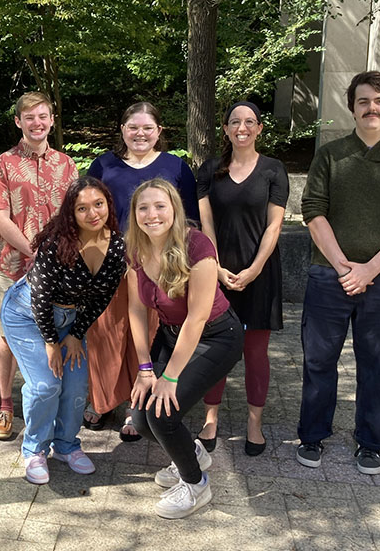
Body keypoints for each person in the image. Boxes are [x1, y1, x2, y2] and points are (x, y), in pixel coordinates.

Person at [296, 71, 380, 475]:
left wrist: (369, 269)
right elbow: (313, 210)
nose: (371, 107)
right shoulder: (331, 156)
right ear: (352, 107)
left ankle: (370, 442)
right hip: (327, 276)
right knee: (319, 360)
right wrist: (342, 266)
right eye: (363, 101)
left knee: (378, 364)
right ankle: (313, 434)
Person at [125, 179, 245, 519]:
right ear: (134, 215)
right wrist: (146, 369)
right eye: (143, 208)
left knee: (162, 414)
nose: (152, 214)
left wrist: (170, 377)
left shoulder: (198, 246)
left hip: (216, 336)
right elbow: (135, 310)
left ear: (174, 209)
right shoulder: (135, 250)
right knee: (141, 417)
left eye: (160, 206)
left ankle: (195, 485)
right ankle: (191, 454)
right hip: (170, 335)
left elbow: (197, 317)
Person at [83, 102, 198, 439]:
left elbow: (190, 220)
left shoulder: (176, 167)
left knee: (143, 337)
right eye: (133, 127)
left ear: (159, 131)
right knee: (104, 334)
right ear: (122, 130)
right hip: (107, 264)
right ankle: (100, 401)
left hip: (156, 265)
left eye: (148, 127)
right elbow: (86, 210)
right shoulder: (104, 164)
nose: (140, 134)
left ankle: (136, 408)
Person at [0, 177, 126, 484]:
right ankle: (34, 449)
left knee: (75, 387)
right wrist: (52, 342)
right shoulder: (57, 243)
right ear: (71, 213)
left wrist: (75, 334)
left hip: (71, 322)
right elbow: (41, 296)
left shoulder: (117, 245)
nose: (93, 213)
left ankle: (67, 445)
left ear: (108, 203)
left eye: (98, 204)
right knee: (46, 385)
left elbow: (102, 297)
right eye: (82, 208)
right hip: (27, 316)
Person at [0, 92, 79, 440]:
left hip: (59, 270)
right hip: (14, 267)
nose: (37, 123)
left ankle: (55, 408)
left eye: (43, 116)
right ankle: (6, 406)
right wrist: (33, 251)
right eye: (30, 117)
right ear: (18, 122)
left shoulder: (67, 165)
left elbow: (75, 216)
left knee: (58, 334)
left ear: (51, 120)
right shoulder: (3, 164)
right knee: (8, 337)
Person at [196, 101, 288, 456]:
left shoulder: (273, 170)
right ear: (226, 128)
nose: (242, 127)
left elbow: (275, 225)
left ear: (260, 128)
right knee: (216, 347)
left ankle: (254, 422)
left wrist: (255, 269)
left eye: (250, 122)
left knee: (255, 351)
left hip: (259, 273)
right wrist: (215, 267)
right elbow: (206, 225)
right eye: (235, 121)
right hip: (215, 270)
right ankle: (211, 418)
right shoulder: (209, 170)